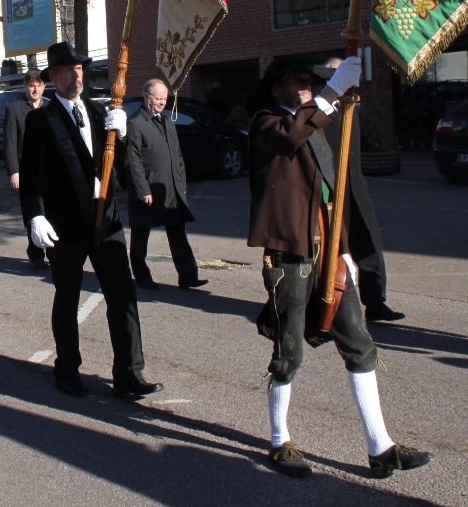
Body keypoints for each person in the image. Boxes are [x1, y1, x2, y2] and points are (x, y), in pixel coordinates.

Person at [246, 55, 433, 479]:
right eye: (297, 80)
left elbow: (331, 193)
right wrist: (331, 94)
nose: (307, 85)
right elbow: (289, 137)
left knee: (359, 343)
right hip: (290, 255)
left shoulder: (314, 125)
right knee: (289, 351)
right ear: (276, 88)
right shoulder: (266, 123)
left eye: (311, 81)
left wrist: (345, 249)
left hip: (329, 252)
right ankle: (279, 440)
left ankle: (380, 446)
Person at [20, 42, 161, 399]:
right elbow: (31, 175)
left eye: (80, 68)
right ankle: (67, 368)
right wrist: (35, 215)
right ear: (53, 76)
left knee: (123, 296)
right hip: (64, 225)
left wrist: (123, 135)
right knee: (67, 298)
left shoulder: (100, 112)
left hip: (106, 220)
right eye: (69, 70)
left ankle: (129, 374)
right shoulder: (40, 119)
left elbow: (121, 164)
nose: (76, 75)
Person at [316, 58, 404, 324]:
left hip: (355, 184)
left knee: (368, 242)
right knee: (330, 247)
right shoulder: (319, 105)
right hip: (329, 185)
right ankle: (327, 303)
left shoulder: (351, 102)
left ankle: (376, 301)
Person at [126, 79, 207, 291]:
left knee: (178, 232)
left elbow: (178, 156)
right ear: (147, 97)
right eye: (158, 98)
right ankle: (142, 277)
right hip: (148, 189)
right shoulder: (135, 123)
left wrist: (181, 183)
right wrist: (142, 189)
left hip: (170, 188)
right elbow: (133, 160)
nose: (162, 102)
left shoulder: (167, 121)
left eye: (164, 98)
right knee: (141, 234)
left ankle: (188, 277)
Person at [3, 70, 49, 269]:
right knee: (32, 212)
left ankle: (54, 250)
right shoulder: (14, 110)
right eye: (32, 86)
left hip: (49, 169)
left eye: (39, 85)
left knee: (52, 211)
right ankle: (36, 253)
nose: (35, 89)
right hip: (26, 170)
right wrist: (14, 171)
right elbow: (10, 143)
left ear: (44, 87)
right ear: (25, 87)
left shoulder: (51, 108)